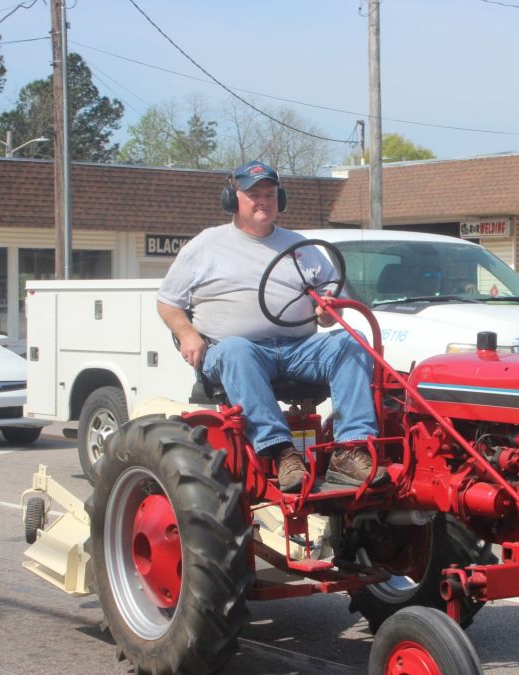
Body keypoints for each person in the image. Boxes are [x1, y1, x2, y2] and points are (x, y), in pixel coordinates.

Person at [156, 160, 387, 492]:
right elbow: (167, 302)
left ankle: (350, 449)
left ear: (281, 199)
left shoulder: (301, 246)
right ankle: (281, 452)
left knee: (352, 341)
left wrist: (327, 308)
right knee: (237, 350)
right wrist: (187, 334)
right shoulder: (206, 245)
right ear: (232, 199)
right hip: (233, 352)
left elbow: (333, 295)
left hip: (297, 349)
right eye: (254, 195)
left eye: (270, 194)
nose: (263, 201)